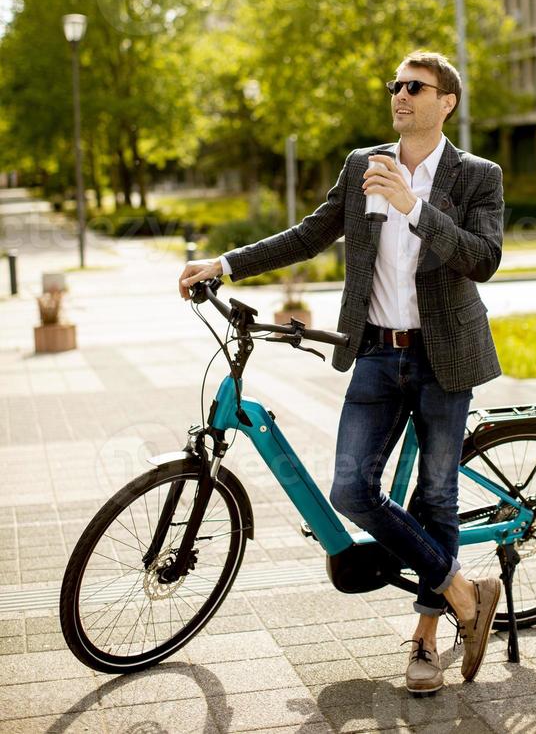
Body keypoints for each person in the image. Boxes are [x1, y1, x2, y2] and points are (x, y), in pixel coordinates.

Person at [179, 50, 504, 695]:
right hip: (378, 355)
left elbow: (484, 259)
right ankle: (465, 592)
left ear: (447, 102)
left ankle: (425, 642)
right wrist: (226, 264)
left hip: (446, 357)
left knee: (437, 496)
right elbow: (309, 234)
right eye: (396, 86)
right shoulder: (364, 165)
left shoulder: (476, 176)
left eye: (416, 87)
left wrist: (415, 207)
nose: (401, 95)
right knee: (351, 489)